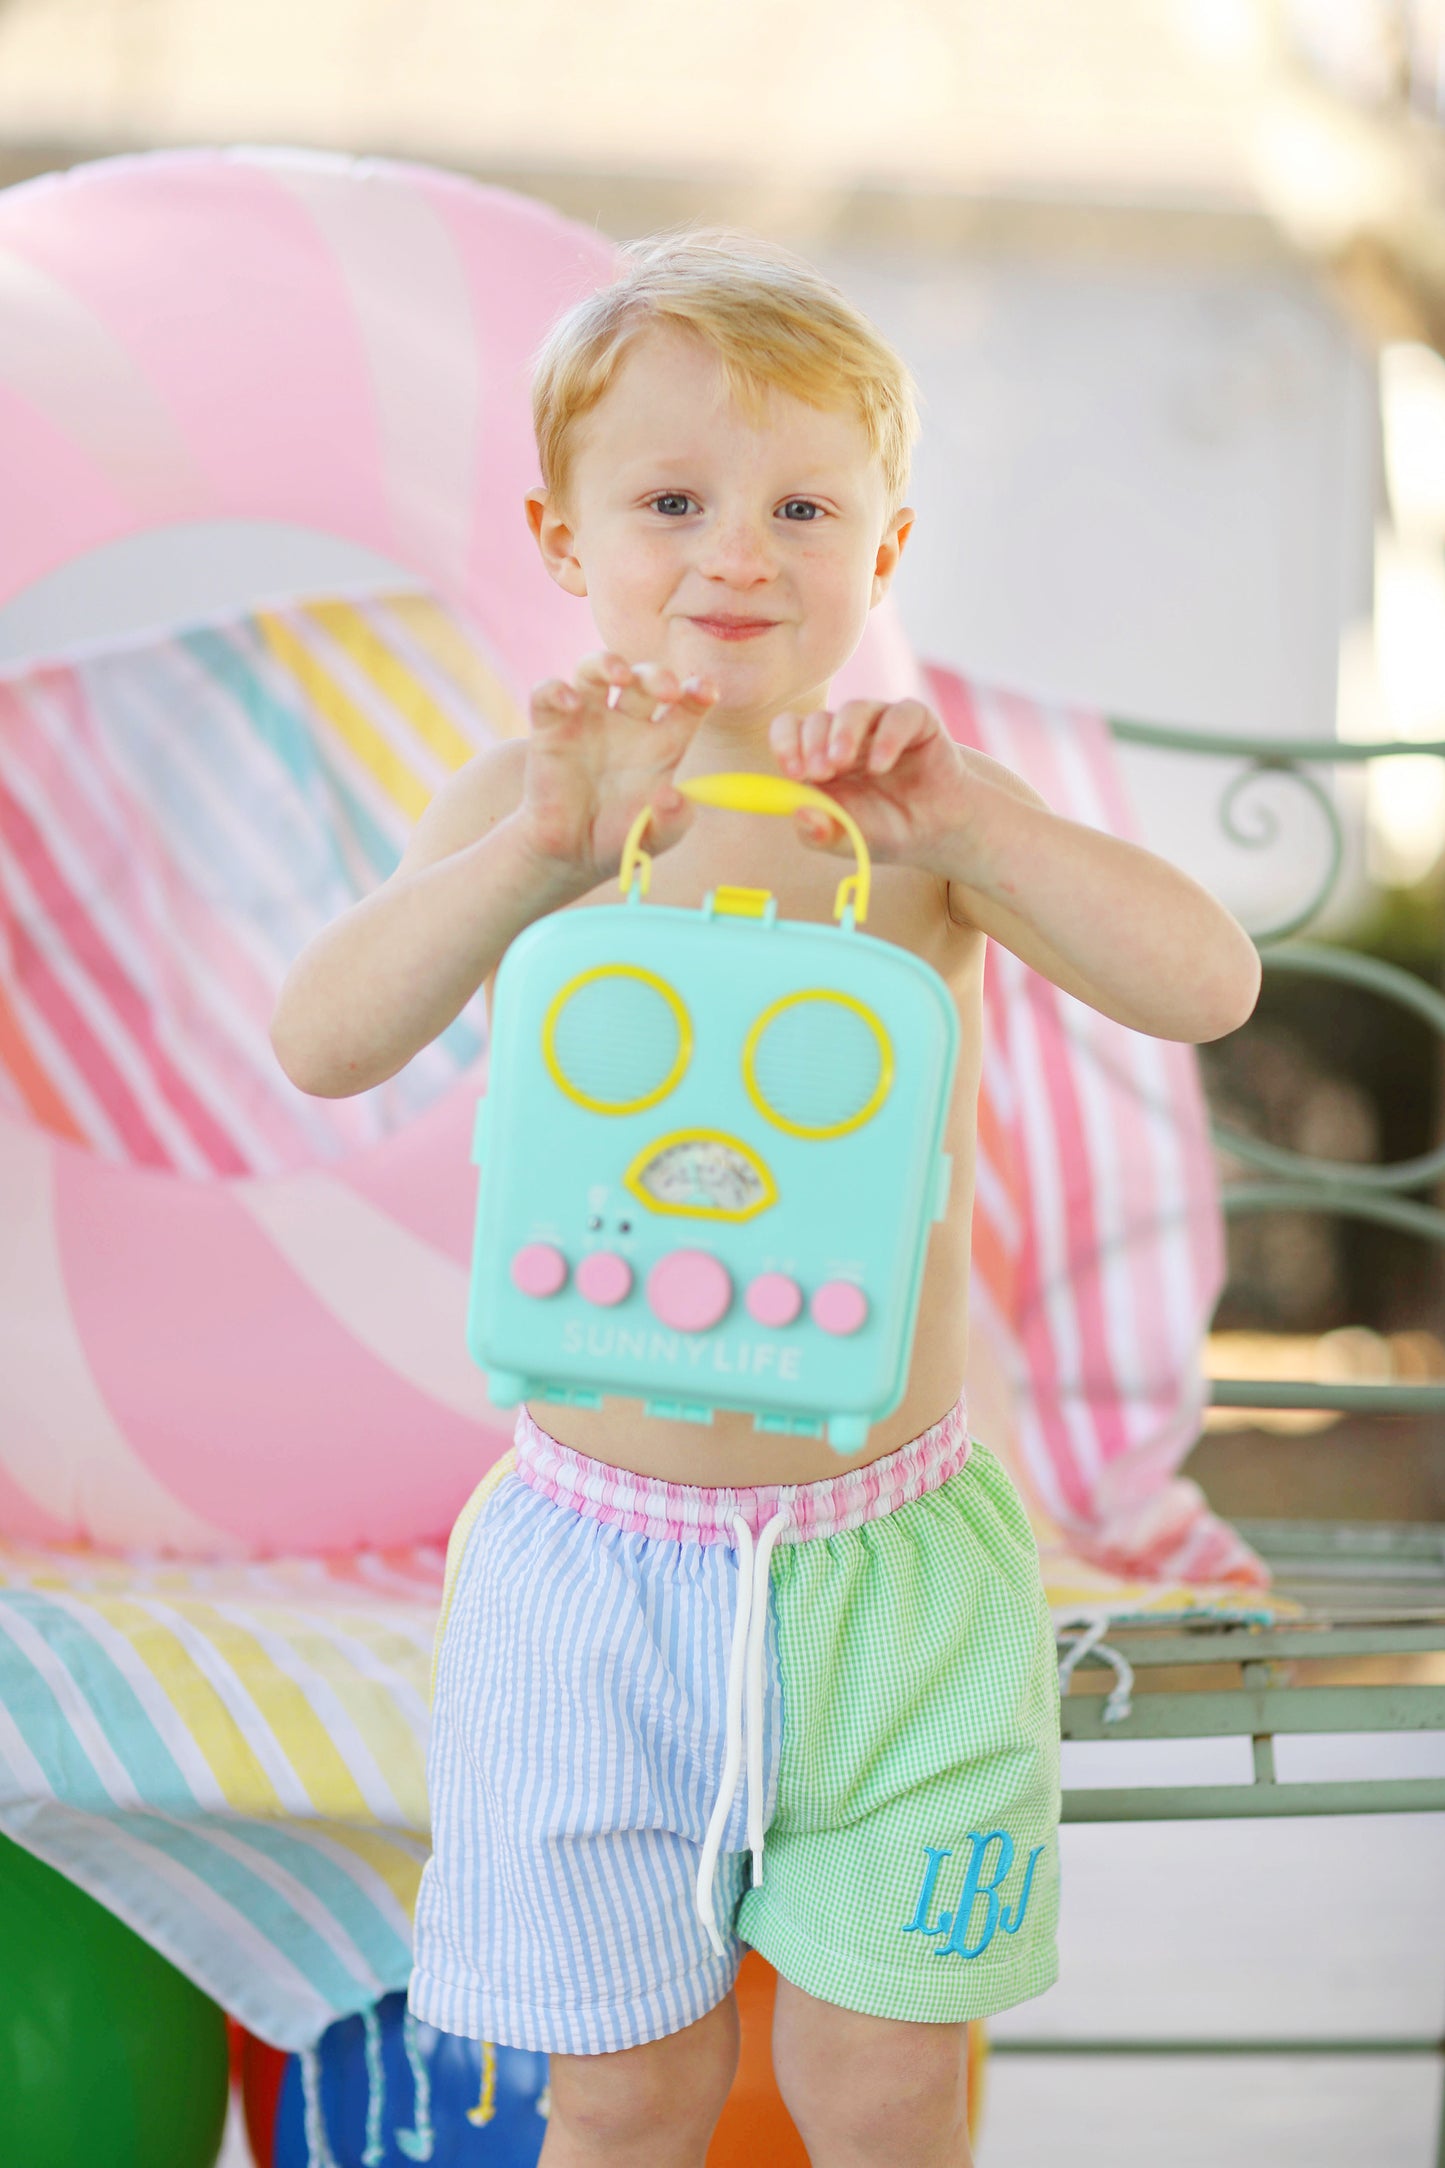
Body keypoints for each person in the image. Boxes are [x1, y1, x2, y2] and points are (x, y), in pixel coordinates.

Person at [271, 230, 1260, 2168]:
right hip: (597, 1577)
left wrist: (986, 826)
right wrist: (529, 857)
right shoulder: (533, 805)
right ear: (564, 539)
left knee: (886, 2081)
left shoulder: (916, 818)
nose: (741, 549)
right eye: (674, 500)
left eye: (805, 503)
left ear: (884, 552)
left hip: (895, 1571)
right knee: (625, 2089)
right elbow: (324, 1039)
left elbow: (1206, 982)